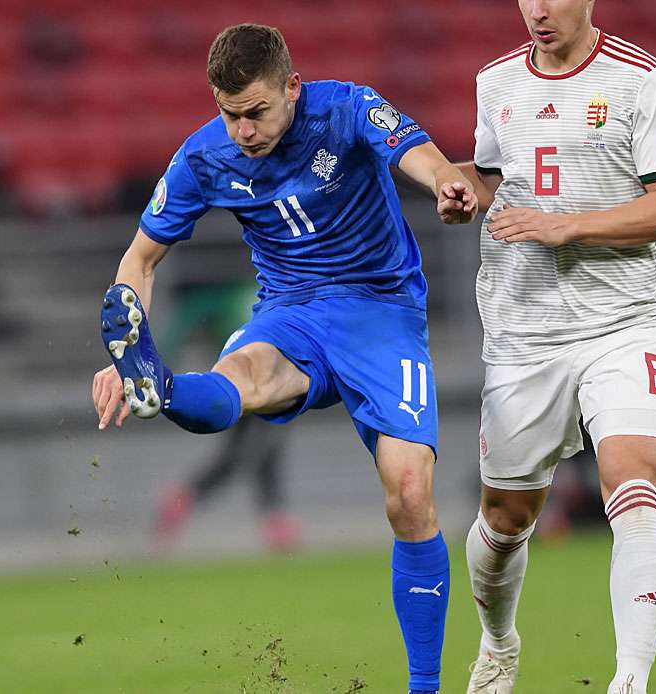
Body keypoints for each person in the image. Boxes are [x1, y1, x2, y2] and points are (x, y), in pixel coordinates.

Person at [90, 23, 479, 694]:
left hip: (379, 311)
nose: (243, 129)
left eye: (257, 111)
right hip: (289, 314)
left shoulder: (345, 107)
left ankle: (425, 688)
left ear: (292, 90)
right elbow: (141, 257)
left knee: (411, 493)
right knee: (234, 383)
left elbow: (416, 152)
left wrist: (447, 182)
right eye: (229, 114)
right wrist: (125, 321)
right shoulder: (204, 157)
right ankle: (154, 381)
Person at [456, 2, 656, 693]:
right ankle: (499, 645)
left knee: (632, 479)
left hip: (625, 323)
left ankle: (630, 679)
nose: (538, 9)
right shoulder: (495, 82)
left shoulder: (644, 81)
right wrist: (461, 192)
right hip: (523, 336)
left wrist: (572, 228)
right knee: (505, 520)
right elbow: (491, 179)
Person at [152, 280, 300, 553]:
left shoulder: (233, 296)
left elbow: (189, 313)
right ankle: (272, 519)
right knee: (251, 453)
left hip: (236, 385)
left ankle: (273, 519)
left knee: (252, 452)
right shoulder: (259, 294)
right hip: (263, 387)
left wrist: (162, 357)